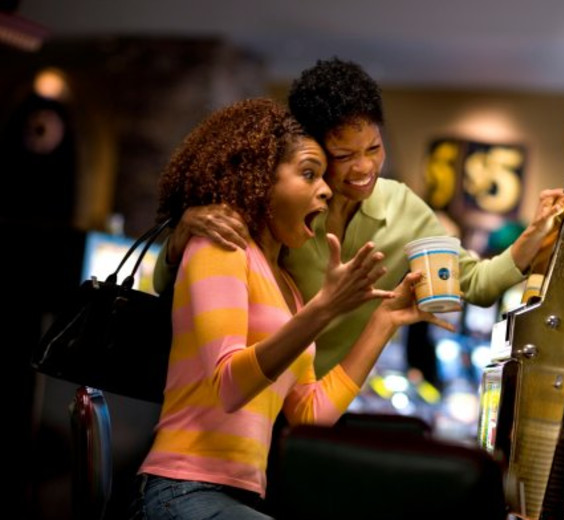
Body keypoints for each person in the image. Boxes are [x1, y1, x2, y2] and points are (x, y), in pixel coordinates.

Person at [131, 98, 452, 519]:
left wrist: (385, 320)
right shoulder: (221, 246)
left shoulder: (287, 287)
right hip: (181, 490)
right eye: (308, 173)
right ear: (260, 179)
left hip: (241, 495)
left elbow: (308, 415)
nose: (324, 189)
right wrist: (323, 310)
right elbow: (229, 384)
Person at [154, 56, 564, 378]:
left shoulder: (403, 207)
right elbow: (173, 286)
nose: (364, 168)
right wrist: (183, 234)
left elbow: (476, 284)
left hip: (314, 404)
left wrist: (533, 236)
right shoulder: (277, 207)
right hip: (238, 386)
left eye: (373, 148)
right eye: (343, 156)